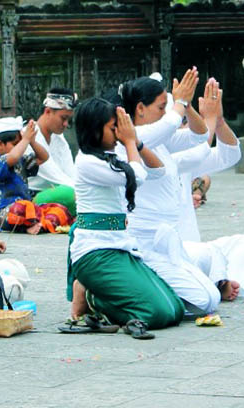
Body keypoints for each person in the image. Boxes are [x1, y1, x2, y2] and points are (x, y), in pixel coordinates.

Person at [66, 97, 183, 338]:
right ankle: (92, 297)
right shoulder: (87, 162)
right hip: (95, 253)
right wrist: (129, 141)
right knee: (156, 313)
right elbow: (137, 177)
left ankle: (97, 296)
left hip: (120, 247)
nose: (118, 133)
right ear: (95, 130)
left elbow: (157, 170)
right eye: (113, 128)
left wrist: (135, 142)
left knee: (175, 307)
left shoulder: (111, 157)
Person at [116, 69, 223, 314]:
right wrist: (181, 102)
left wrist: (186, 105)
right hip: (143, 242)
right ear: (140, 108)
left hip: (167, 241)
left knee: (210, 294)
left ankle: (154, 290)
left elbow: (200, 135)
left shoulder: (160, 138)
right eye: (161, 107)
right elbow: (168, 125)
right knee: (204, 301)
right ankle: (134, 288)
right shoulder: (132, 138)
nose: (166, 113)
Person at [173, 78, 244, 298]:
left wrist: (218, 122)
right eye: (181, 121)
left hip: (196, 252)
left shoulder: (186, 156)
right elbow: (198, 150)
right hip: (169, 254)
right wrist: (207, 119)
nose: (186, 127)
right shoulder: (153, 153)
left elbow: (229, 155)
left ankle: (220, 281)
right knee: (204, 256)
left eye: (185, 121)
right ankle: (215, 283)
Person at [0, 116, 49, 234]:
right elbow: (12, 157)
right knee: (20, 209)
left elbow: (43, 157)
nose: (22, 148)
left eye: (22, 144)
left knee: (51, 209)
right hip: (1, 214)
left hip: (25, 209)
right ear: (0, 144)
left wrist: (32, 141)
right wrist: (25, 140)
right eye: (16, 144)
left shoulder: (21, 160)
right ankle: (31, 225)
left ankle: (34, 223)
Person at [26, 88, 78, 216]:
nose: (66, 124)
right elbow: (53, 174)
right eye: (63, 118)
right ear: (48, 111)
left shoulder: (59, 138)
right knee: (70, 194)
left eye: (68, 120)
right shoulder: (30, 136)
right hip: (31, 197)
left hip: (57, 191)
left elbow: (70, 172)